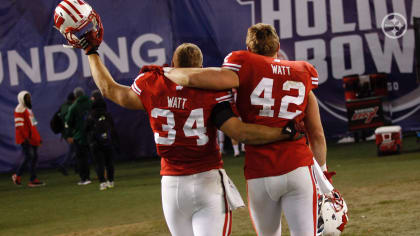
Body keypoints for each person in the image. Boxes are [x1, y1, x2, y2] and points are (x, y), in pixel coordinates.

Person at [70, 21, 301, 234]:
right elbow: (239, 133)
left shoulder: (152, 83)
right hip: (207, 181)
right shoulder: (212, 90)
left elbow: (110, 90)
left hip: (171, 188)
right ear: (200, 68)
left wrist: (91, 52)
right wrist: (281, 132)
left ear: (173, 65)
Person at [165, 23, 332, 236]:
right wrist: (324, 176)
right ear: (278, 46)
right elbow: (317, 134)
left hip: (259, 172)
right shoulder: (301, 72)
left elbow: (194, 78)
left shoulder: (242, 65)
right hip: (298, 167)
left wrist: (168, 72)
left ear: (249, 48)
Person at [85, 90, 118, 190]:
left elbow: (86, 129)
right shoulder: (107, 114)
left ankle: (102, 183)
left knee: (99, 163)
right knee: (109, 163)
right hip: (107, 142)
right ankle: (111, 181)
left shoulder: (91, 115)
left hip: (95, 142)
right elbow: (112, 128)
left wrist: (89, 140)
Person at [12, 91, 45, 187]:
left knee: (34, 157)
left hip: (32, 138)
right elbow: (19, 126)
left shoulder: (29, 110)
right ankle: (17, 175)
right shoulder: (19, 109)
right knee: (29, 156)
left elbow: (33, 125)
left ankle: (33, 179)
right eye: (26, 98)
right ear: (21, 99)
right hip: (25, 139)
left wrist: (38, 138)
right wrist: (26, 138)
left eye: (29, 98)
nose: (28, 99)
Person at [65, 87, 92, 185]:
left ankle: (85, 178)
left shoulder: (74, 106)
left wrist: (70, 133)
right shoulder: (90, 102)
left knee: (81, 158)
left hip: (80, 136)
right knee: (98, 156)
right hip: (92, 134)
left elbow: (68, 121)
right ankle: (103, 176)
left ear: (75, 96)